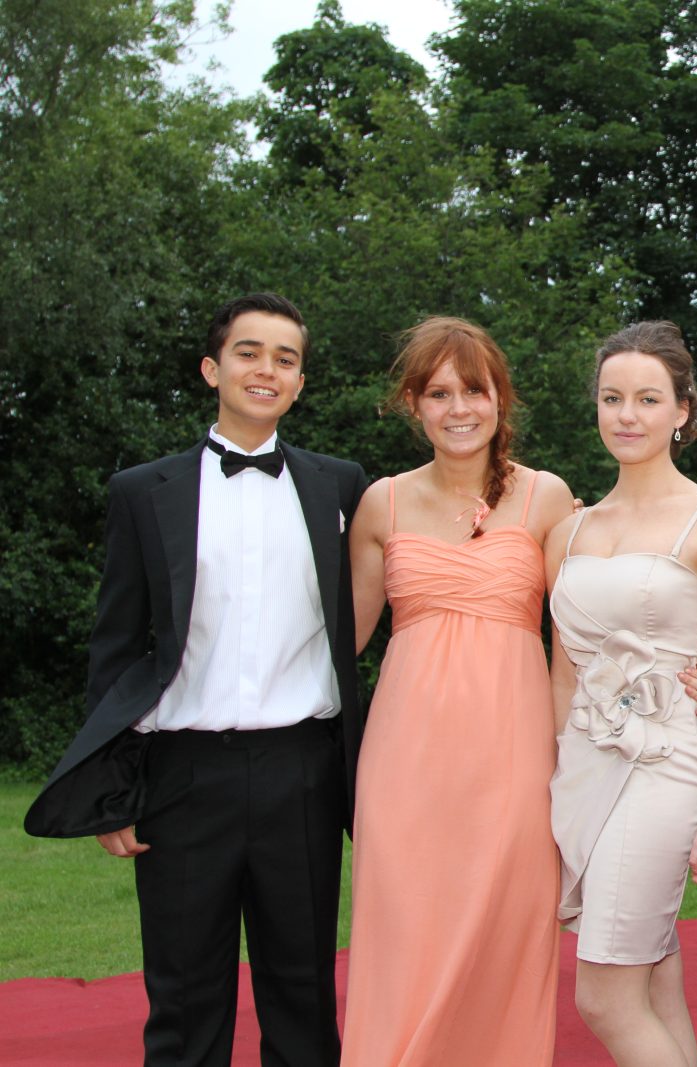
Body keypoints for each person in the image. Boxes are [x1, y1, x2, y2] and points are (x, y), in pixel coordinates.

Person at [24, 293, 366, 1067]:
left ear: (300, 383)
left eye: (285, 358)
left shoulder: (341, 487)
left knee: (304, 997)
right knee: (183, 1002)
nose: (266, 369)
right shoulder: (142, 491)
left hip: (302, 773)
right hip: (180, 777)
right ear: (213, 369)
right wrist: (114, 788)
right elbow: (116, 646)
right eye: (249, 352)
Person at [339, 317, 574, 1065]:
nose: (459, 408)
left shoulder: (546, 498)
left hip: (514, 759)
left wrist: (666, 677)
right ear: (413, 404)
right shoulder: (381, 504)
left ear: (500, 398)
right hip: (403, 764)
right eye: (439, 393)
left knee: (506, 933)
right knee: (403, 936)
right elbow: (339, 643)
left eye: (474, 390)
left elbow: (580, 639)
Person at [546, 320, 697, 1067]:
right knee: (656, 976)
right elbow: (563, 673)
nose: (626, 415)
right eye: (612, 398)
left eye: (646, 398)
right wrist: (556, 779)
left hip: (663, 765)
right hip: (584, 765)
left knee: (603, 997)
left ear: (681, 411)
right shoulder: (568, 530)